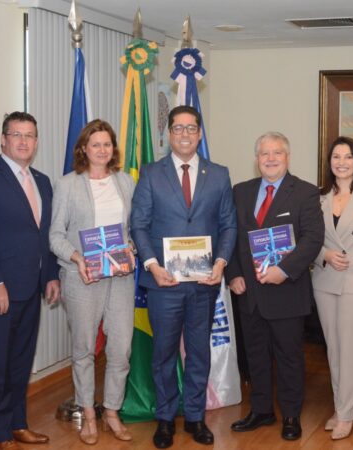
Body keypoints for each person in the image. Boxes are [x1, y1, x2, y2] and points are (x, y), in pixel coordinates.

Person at [130, 105, 237, 449]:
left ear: (200, 133)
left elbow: (228, 225)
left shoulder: (219, 174)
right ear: (169, 134)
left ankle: (194, 417)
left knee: (198, 353)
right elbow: (139, 225)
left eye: (191, 128)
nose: (185, 135)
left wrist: (220, 263)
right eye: (178, 128)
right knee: (162, 353)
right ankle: (164, 419)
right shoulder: (150, 173)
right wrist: (152, 265)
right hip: (164, 283)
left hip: (204, 283)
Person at [0, 112, 60, 450]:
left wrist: (50, 276)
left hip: (31, 288)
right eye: (16, 134)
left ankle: (18, 424)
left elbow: (44, 235)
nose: (23, 141)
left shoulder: (43, 181)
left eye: (30, 135)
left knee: (21, 362)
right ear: (3, 139)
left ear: (36, 141)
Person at [226, 132, 324, 441]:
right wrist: (233, 274)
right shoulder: (240, 192)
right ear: (256, 160)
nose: (270, 158)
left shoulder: (305, 192)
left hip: (286, 291)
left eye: (277, 153)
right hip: (249, 293)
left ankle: (291, 415)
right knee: (255, 354)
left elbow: (312, 239)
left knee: (289, 357)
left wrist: (284, 270)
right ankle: (262, 410)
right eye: (264, 153)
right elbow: (230, 235)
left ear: (287, 157)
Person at [49, 119, 136, 445]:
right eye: (95, 144)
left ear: (113, 149)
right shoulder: (68, 185)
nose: (102, 149)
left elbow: (134, 229)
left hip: (120, 277)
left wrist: (132, 248)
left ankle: (111, 410)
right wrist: (77, 258)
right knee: (84, 348)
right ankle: (88, 415)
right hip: (82, 278)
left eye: (107, 144)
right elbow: (55, 236)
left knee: (121, 349)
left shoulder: (126, 182)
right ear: (84, 148)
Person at [311, 136, 353, 440]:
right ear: (330, 163)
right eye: (336, 157)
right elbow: (306, 238)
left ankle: (347, 414)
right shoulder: (317, 198)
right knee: (334, 348)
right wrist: (323, 254)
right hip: (325, 279)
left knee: (350, 348)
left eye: (348, 157)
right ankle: (339, 408)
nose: (341, 162)